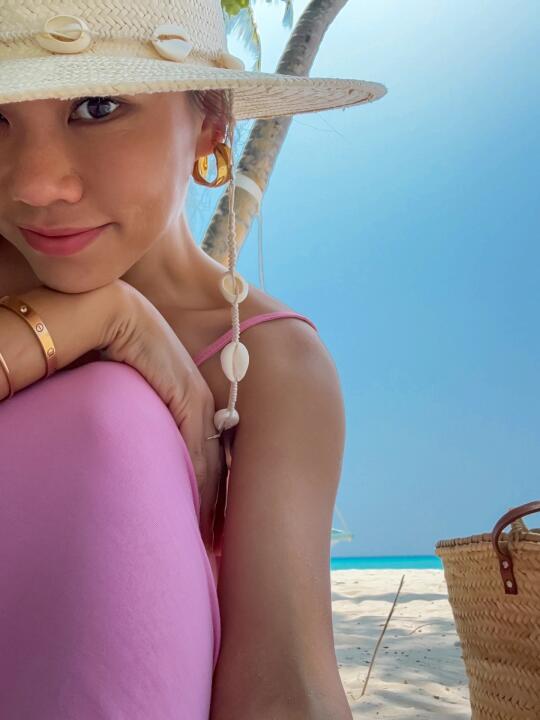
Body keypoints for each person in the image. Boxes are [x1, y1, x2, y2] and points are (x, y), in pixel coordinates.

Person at [0, 1, 387, 718]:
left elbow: (281, 684)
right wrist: (92, 317)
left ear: (210, 123)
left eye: (97, 106)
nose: (35, 183)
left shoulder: (268, 365)